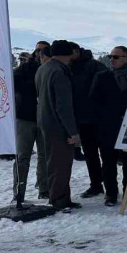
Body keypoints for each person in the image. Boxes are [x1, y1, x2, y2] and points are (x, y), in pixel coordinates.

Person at [89, 46, 127, 206]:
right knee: (108, 163)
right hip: (108, 127)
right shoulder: (102, 77)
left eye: (116, 57)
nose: (112, 59)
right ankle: (111, 194)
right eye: (111, 56)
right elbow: (93, 101)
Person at [35, 40, 81, 212]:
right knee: (60, 164)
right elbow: (63, 106)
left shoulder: (43, 68)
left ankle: (62, 197)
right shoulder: (59, 72)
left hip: (46, 121)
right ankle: (59, 200)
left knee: (54, 162)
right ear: (68, 53)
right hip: (58, 125)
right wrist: (72, 131)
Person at [70, 44, 108, 199]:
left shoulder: (95, 66)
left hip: (99, 117)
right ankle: (96, 184)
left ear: (77, 52)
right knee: (90, 154)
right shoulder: (69, 66)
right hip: (82, 118)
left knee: (106, 154)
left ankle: (110, 186)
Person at [12, 43, 49, 204]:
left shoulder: (50, 70)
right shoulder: (24, 70)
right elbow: (14, 84)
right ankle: (19, 192)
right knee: (22, 156)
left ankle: (44, 189)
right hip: (25, 117)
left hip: (43, 118)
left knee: (44, 155)